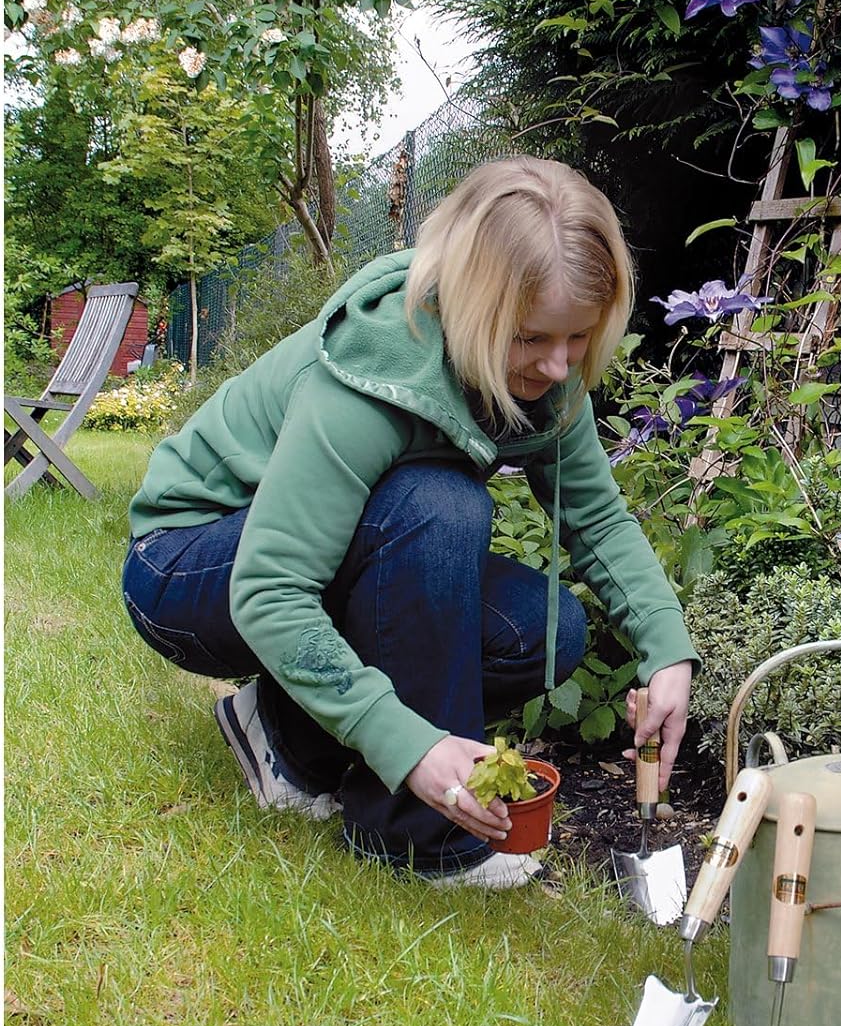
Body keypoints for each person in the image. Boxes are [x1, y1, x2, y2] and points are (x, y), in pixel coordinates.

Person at [122, 157, 699, 890]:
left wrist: (665, 650)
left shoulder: (547, 381)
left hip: (310, 560)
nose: (559, 367)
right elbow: (271, 590)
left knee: (541, 628)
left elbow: (595, 517)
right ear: (473, 307)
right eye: (531, 339)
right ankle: (420, 839)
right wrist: (414, 747)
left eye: (577, 338)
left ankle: (286, 737)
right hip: (188, 565)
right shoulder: (372, 376)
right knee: (438, 504)